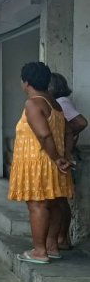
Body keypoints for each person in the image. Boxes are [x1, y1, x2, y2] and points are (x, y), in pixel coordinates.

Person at [8, 62, 73, 264]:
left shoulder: (33, 103)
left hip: (40, 161)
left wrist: (56, 157)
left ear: (26, 82)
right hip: (54, 161)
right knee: (53, 205)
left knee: (37, 206)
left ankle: (39, 251)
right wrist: (64, 156)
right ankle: (52, 246)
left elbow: (44, 135)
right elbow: (68, 131)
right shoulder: (55, 104)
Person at [49, 72, 87, 250]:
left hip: (63, 157)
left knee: (60, 201)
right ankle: (61, 238)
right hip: (62, 155)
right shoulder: (59, 103)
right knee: (60, 200)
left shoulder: (62, 102)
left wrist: (66, 132)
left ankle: (62, 238)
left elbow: (81, 122)